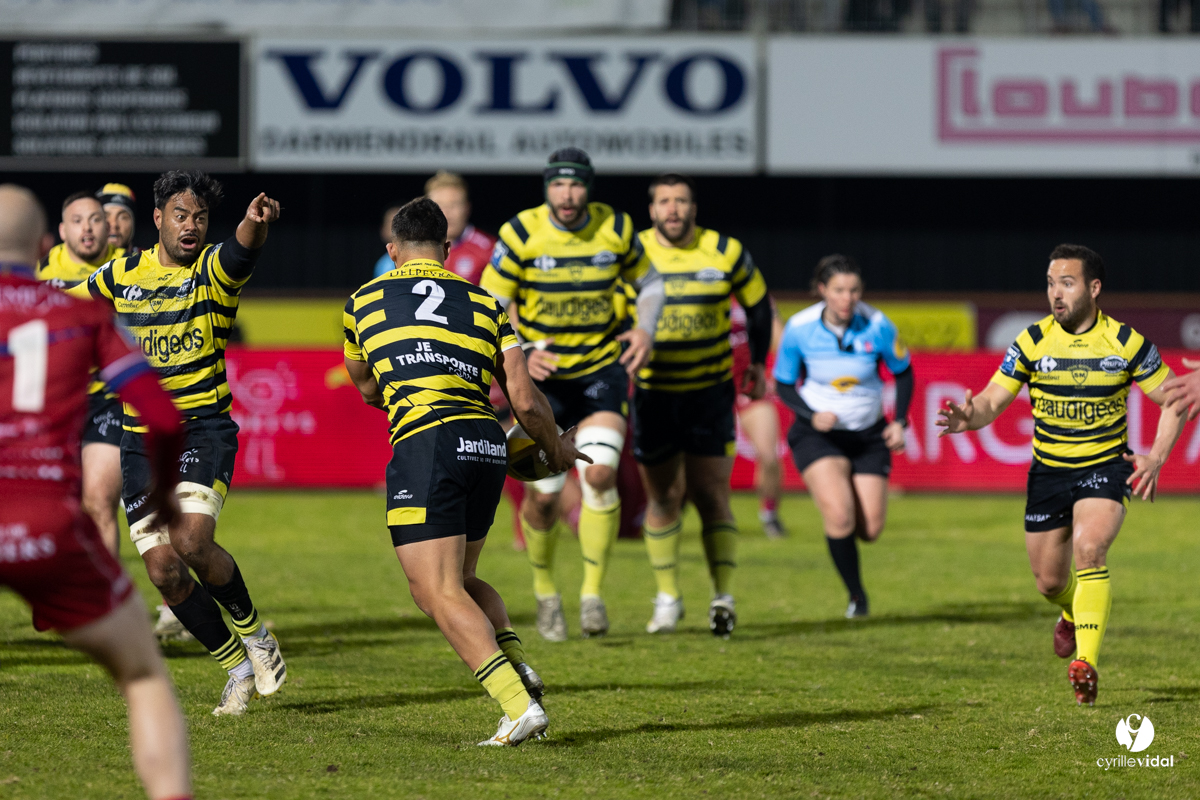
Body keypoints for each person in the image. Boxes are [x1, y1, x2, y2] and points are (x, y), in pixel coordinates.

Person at [343, 197, 588, 746]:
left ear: (393, 251)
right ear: (448, 251)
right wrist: (555, 450)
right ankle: (517, 664)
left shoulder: (363, 301)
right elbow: (523, 400)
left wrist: (409, 391)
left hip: (427, 443)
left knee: (434, 590)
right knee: (463, 579)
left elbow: (365, 386)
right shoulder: (485, 304)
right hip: (486, 444)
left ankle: (517, 704)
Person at [0, 183, 193, 800]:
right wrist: (163, 497)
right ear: (43, 245)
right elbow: (163, 418)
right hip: (46, 523)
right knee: (141, 674)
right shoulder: (81, 314)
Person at [71, 170, 288, 716]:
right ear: (159, 219)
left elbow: (242, 252)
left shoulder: (212, 272)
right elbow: (62, 306)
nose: (192, 226)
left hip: (202, 429)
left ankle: (257, 635)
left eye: (201, 218)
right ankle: (236, 668)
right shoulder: (121, 275)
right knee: (164, 569)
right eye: (182, 215)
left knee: (191, 540)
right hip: (140, 443)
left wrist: (252, 224)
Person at [937, 244, 1185, 706]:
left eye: (1066, 283)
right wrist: (967, 418)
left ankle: (1085, 665)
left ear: (1093, 288)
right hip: (1049, 473)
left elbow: (1175, 399)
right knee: (1049, 582)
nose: (1056, 293)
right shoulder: (1032, 341)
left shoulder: (1125, 342)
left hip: (1104, 468)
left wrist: (1155, 456)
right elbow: (992, 400)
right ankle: (1071, 612)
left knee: (1091, 549)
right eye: (1051, 283)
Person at [480, 148, 665, 640]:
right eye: (559, 185)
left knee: (600, 474)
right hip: (544, 381)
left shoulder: (616, 228)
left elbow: (650, 282)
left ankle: (591, 596)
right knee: (544, 499)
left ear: (589, 188)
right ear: (547, 188)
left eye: (577, 185)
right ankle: (546, 595)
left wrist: (645, 329)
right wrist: (524, 348)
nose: (568, 194)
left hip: (601, 370)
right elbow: (491, 299)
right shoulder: (520, 232)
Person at [632, 173, 774, 638]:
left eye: (681, 201)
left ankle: (723, 596)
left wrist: (754, 361)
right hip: (652, 393)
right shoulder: (631, 251)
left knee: (712, 495)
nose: (673, 209)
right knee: (663, 498)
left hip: (710, 393)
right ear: (652, 210)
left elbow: (758, 306)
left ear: (694, 208)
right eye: (664, 201)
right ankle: (668, 597)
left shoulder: (726, 251)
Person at [774, 255, 913, 620]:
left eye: (853, 290)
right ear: (822, 291)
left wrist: (899, 421)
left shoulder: (878, 324)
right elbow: (783, 384)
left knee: (869, 529)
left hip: (868, 435)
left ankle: (853, 571)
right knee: (839, 516)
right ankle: (857, 597)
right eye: (838, 290)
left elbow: (904, 372)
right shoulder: (800, 328)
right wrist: (810, 415)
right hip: (818, 436)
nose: (847, 298)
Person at [35, 192, 125, 556]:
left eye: (95, 219)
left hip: (107, 400)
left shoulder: (128, 269)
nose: (86, 227)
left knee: (99, 503)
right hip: (53, 402)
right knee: (48, 511)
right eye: (77, 220)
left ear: (109, 228)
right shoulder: (40, 271)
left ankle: (108, 608)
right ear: (62, 230)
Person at [731, 296, 787, 538]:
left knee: (769, 455)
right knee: (697, 461)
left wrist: (777, 374)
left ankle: (770, 515)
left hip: (750, 387)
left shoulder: (754, 296)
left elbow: (782, 341)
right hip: (711, 387)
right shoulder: (697, 289)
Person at [98, 183, 140, 256]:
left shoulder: (149, 262)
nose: (114, 224)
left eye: (123, 217)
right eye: (105, 216)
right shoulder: (77, 261)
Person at [372, 204, 403, 278]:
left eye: (399, 222)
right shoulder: (383, 265)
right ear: (382, 230)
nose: (395, 228)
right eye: (390, 222)